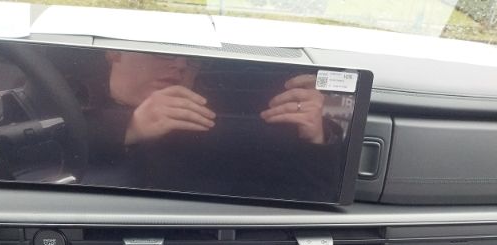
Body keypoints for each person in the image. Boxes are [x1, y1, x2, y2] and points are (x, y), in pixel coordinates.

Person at [86, 50, 345, 203]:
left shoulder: (218, 121)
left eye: (192, 58)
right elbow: (62, 153)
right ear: (114, 52)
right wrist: (128, 128)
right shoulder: (68, 100)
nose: (181, 64)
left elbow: (309, 197)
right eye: (163, 50)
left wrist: (316, 140)